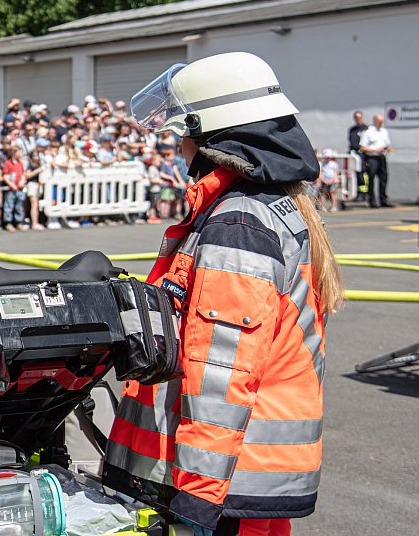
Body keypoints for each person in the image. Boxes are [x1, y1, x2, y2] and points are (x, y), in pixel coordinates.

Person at [108, 52, 344, 536]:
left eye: (183, 135)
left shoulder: (238, 223)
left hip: (219, 490)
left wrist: (196, 498)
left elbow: (221, 372)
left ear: (212, 135)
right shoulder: (269, 205)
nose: (180, 150)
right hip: (242, 479)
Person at [358, 113, 392, 207]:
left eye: (382, 122)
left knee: (383, 179)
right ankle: (372, 200)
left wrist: (387, 149)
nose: (381, 124)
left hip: (381, 157)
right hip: (372, 158)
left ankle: (383, 200)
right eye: (379, 122)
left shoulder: (384, 131)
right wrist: (376, 150)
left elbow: (387, 144)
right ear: (375, 121)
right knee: (371, 179)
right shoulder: (368, 132)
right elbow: (362, 147)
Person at [346, 110, 368, 202]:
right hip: (353, 153)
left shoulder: (366, 128)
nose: (357, 119)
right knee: (352, 174)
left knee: (362, 173)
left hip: (362, 154)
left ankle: (363, 193)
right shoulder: (352, 129)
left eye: (359, 118)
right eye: (356, 118)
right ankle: (354, 193)